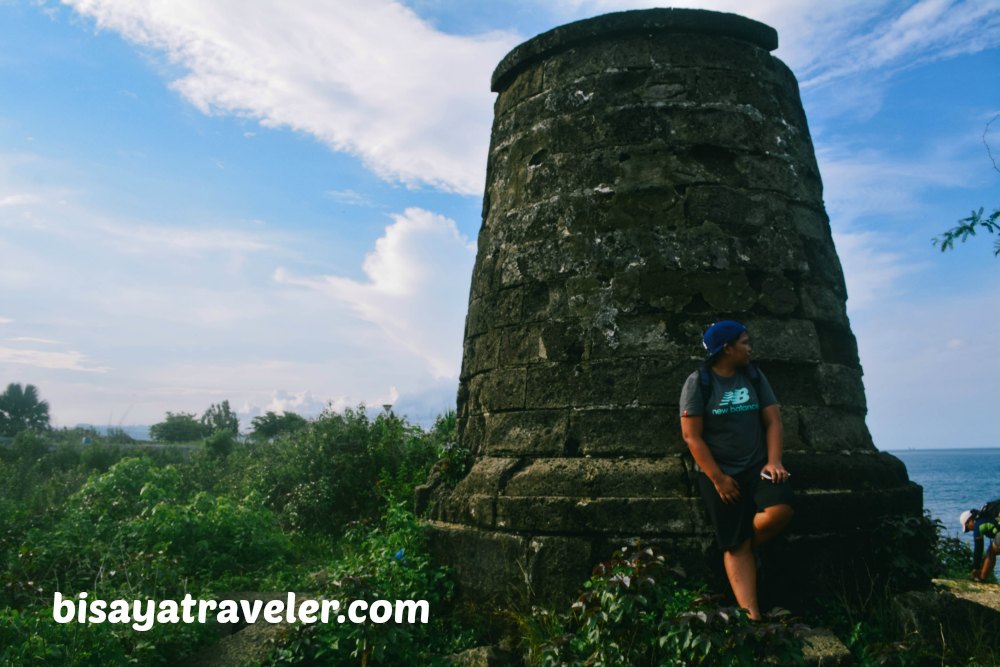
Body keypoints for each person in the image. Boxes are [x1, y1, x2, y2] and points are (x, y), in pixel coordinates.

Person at [679, 320, 794, 620]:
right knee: (735, 543)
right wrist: (718, 479)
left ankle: (740, 545)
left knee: (779, 510)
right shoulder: (699, 382)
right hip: (718, 472)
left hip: (757, 466)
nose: (749, 347)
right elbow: (692, 436)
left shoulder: (754, 376)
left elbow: (773, 422)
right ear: (726, 348)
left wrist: (774, 461)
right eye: (744, 342)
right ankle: (753, 618)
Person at [961, 503, 1000, 583]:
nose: (971, 530)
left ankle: (981, 579)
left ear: (970, 521)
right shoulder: (985, 517)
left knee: (991, 552)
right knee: (992, 550)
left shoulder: (978, 525)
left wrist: (975, 567)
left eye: (968, 528)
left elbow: (978, 549)